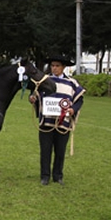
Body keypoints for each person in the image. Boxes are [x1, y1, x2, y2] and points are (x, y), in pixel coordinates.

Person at [29, 55, 85, 185]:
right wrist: (32, 99)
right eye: (52, 66)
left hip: (63, 123)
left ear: (63, 67)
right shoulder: (44, 80)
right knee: (45, 150)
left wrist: (73, 110)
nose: (54, 68)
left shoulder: (72, 82)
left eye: (57, 66)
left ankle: (58, 176)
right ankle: (45, 176)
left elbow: (79, 99)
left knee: (60, 151)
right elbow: (35, 95)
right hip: (46, 122)